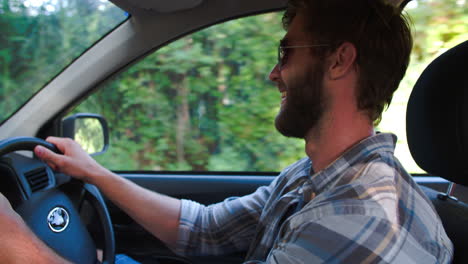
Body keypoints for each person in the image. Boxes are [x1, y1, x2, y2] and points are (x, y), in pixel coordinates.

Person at [0, 0, 454, 263]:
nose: (273, 74)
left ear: (339, 61)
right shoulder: (317, 178)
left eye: (287, 52)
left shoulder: (361, 224)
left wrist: (16, 245)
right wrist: (93, 171)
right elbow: (203, 229)